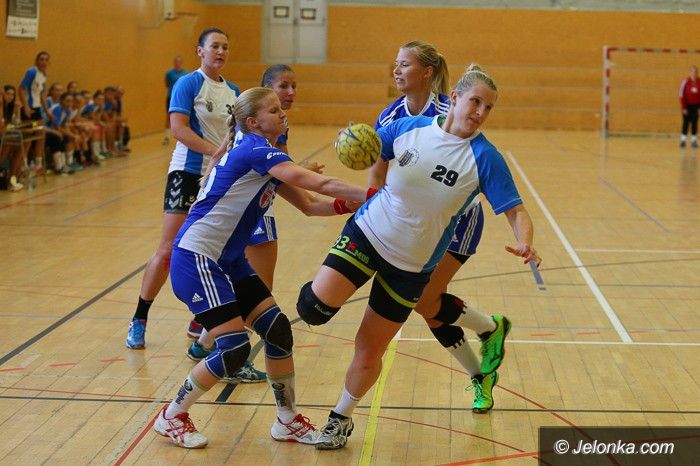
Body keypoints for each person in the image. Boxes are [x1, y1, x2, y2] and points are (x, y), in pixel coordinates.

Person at [296, 64, 542, 450]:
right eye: (475, 102)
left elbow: (516, 211)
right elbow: (373, 148)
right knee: (312, 310)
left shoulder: (485, 158)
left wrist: (525, 241)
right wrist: (360, 158)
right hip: (367, 233)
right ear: (455, 98)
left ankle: (340, 418)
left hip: (410, 266)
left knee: (368, 350)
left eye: (489, 107)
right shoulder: (409, 128)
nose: (480, 112)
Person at [153, 86, 372, 448]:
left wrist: (348, 206)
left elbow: (310, 205)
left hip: (228, 261)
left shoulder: (264, 156)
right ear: (253, 122)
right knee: (234, 348)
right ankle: (172, 415)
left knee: (277, 331)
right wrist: (376, 195)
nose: (282, 112)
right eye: (273, 110)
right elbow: (321, 183)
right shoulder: (254, 150)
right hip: (198, 258)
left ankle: (286, 420)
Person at [369, 41, 509, 414]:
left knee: (426, 300)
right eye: (396, 63)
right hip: (414, 222)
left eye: (405, 64)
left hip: (458, 221)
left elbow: (479, 157)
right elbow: (378, 165)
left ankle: (489, 330)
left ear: (427, 72)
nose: (396, 70)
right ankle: (481, 368)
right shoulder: (390, 116)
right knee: (429, 306)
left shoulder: (451, 109)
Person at [124, 27, 269, 382]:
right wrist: (214, 153)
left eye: (225, 46)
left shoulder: (233, 91)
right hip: (188, 173)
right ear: (200, 51)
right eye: (214, 46)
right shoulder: (188, 84)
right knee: (169, 249)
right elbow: (179, 129)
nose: (220, 51)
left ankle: (202, 321)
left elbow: (239, 136)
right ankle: (140, 317)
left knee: (219, 249)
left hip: (219, 179)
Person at [185, 65, 315, 380]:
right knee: (258, 288)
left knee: (245, 284)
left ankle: (205, 341)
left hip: (254, 204)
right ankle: (228, 354)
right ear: (267, 88)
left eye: (294, 86)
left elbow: (280, 168)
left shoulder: (267, 123)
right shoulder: (258, 124)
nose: (290, 93)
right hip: (249, 209)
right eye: (283, 86)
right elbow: (276, 169)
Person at [18, 51, 50, 171]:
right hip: (29, 109)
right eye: (41, 59)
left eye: (46, 59)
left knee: (40, 132)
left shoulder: (44, 74)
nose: (44, 62)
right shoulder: (32, 71)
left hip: (37, 110)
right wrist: (26, 106)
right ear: (36, 61)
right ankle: (23, 165)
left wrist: (47, 111)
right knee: (28, 136)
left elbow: (42, 95)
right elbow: (21, 89)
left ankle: (38, 163)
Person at [164, 56, 188, 145]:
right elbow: (166, 84)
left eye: (179, 61)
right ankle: (167, 137)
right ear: (174, 63)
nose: (178, 63)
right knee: (168, 116)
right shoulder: (169, 73)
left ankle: (185, 136)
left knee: (185, 117)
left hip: (182, 98)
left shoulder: (186, 73)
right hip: (171, 97)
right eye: (176, 61)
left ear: (181, 63)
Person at [679, 65, 699, 149]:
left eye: (695, 72)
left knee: (694, 123)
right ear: (690, 72)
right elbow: (681, 95)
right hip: (687, 106)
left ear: (697, 73)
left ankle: (694, 141)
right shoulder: (685, 82)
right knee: (686, 123)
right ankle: (683, 140)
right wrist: (684, 108)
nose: (694, 73)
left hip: (696, 106)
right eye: (692, 72)